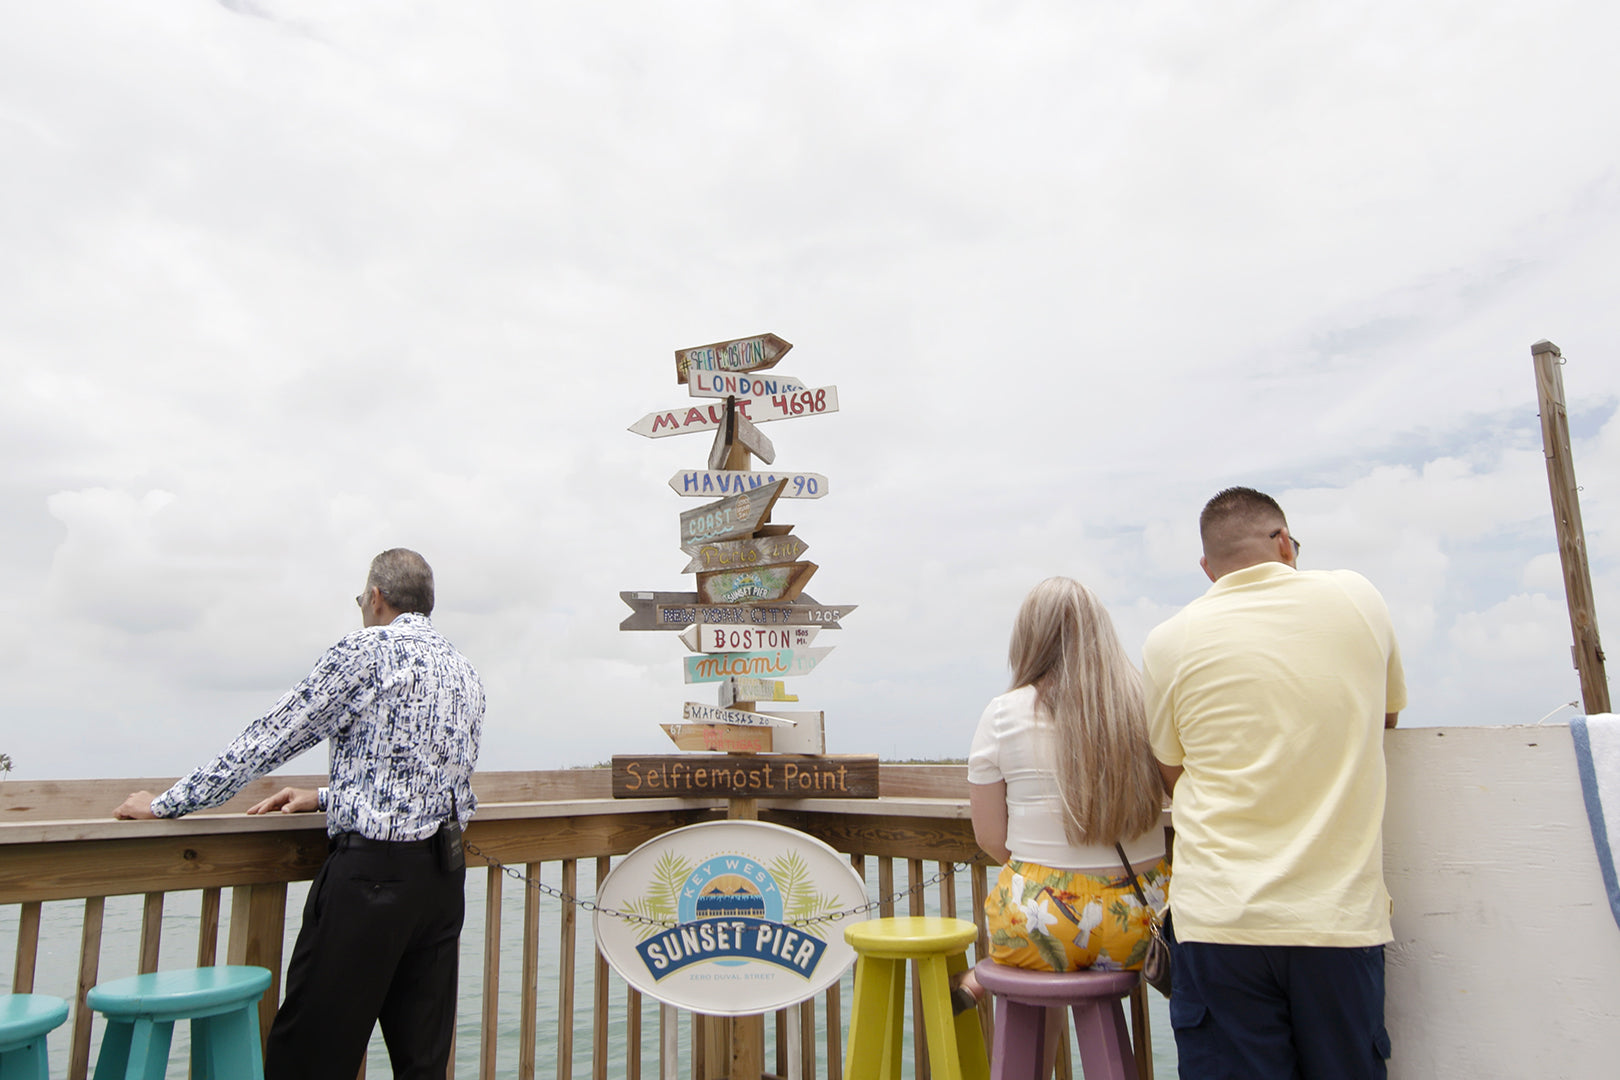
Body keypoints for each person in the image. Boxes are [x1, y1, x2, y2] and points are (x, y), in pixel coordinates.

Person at [114, 548, 485, 1080]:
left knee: (307, 1055)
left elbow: (269, 738)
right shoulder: (463, 670)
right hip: (442, 884)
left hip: (372, 884)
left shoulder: (366, 651)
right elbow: (428, 776)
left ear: (376, 598)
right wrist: (329, 796)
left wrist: (166, 803)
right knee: (422, 1062)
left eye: (362, 598)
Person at [1142, 487, 1405, 1080]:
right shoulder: (1358, 598)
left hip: (1217, 920)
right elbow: (1384, 717)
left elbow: (1172, 769)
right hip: (1336, 919)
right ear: (1284, 543)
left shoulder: (1169, 641)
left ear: (1207, 569)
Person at [963, 576, 1170, 1072]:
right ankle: (979, 980)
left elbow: (991, 839)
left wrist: (1058, 877)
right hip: (1142, 923)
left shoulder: (1003, 715)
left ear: (1028, 639)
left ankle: (979, 981)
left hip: (1042, 922)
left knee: (1027, 940)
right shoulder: (1145, 702)